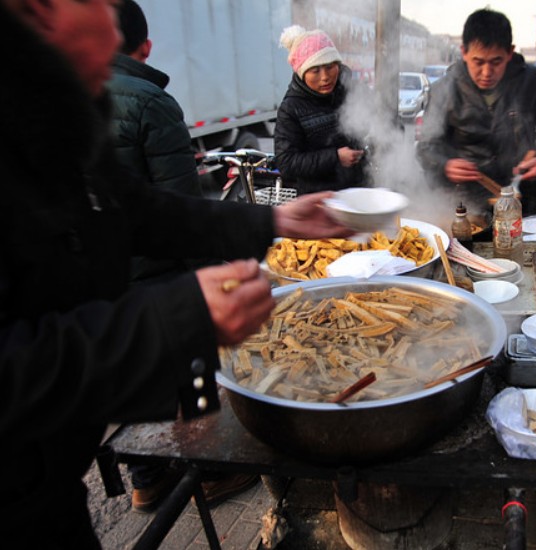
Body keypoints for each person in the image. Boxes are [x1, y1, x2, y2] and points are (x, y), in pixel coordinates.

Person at [0, 0, 351, 547]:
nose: (114, 24)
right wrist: (182, 314)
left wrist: (276, 220)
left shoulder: (53, 115)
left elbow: (142, 211)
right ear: (35, 11)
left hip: (47, 476)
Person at [107, 0, 257, 512]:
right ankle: (211, 469)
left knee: (137, 374)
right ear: (145, 47)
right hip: (159, 274)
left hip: (111, 281)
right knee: (195, 369)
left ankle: (146, 479)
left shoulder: (60, 99)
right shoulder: (149, 101)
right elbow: (181, 208)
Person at [416, 8, 536, 218]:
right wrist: (445, 164)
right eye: (478, 62)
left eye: (496, 62)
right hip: (464, 206)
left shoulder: (534, 82)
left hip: (522, 201)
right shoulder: (444, 90)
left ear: (510, 52)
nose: (487, 72)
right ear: (464, 52)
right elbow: (427, 146)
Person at [273, 24, 366, 196]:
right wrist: (335, 157)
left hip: (358, 192)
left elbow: (382, 117)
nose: (325, 77)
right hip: (318, 202)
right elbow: (286, 163)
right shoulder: (291, 108)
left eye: (330, 67)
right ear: (302, 73)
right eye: (315, 71)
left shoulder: (351, 89)